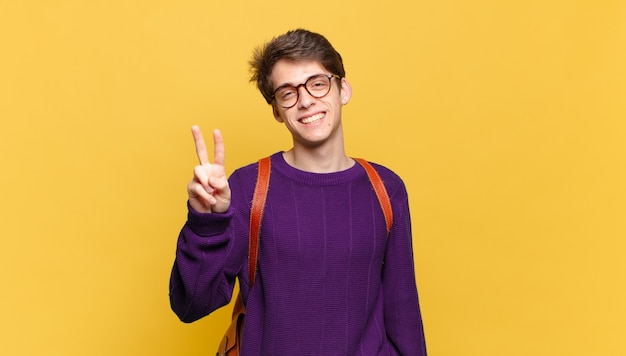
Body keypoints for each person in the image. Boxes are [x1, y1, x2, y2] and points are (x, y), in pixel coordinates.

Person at [169, 29, 427, 355]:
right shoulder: (247, 187)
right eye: (287, 92)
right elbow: (192, 303)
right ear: (276, 110)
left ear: (342, 89)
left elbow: (403, 313)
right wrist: (206, 220)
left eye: (318, 83)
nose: (305, 100)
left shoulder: (386, 189)